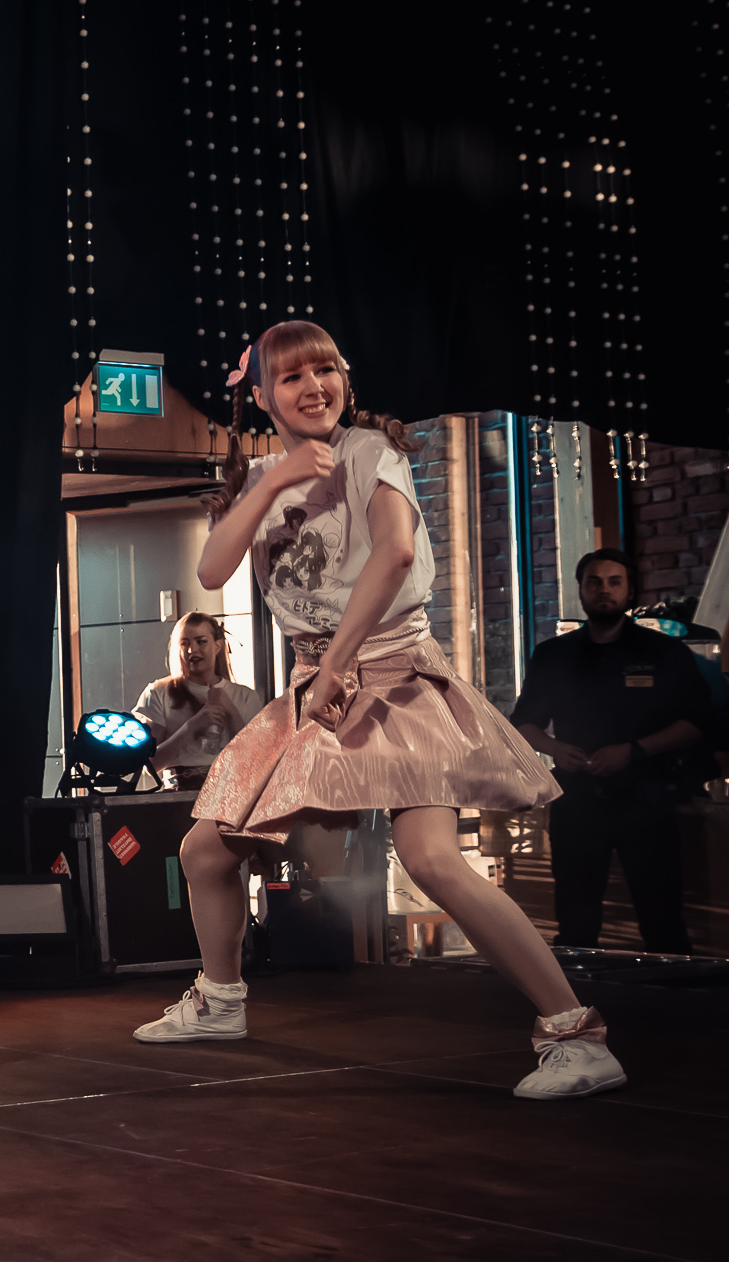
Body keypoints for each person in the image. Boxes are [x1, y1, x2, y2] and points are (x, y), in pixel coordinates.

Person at [131, 320, 626, 1101]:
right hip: (315, 686)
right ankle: (219, 1001)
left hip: (393, 674)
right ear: (261, 397)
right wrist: (271, 483)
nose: (314, 386)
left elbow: (395, 554)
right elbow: (214, 565)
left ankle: (576, 1034)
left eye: (325, 369)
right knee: (204, 852)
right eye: (292, 377)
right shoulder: (265, 478)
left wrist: (337, 666)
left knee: (430, 859)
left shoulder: (368, 451)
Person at [511, 548, 711, 954]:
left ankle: (675, 994)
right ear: (580, 590)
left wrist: (633, 751)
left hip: (648, 798)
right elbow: (523, 724)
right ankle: (576, 995)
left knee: (663, 922)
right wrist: (554, 748)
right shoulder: (554, 655)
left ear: (630, 590)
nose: (604, 590)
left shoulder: (664, 652)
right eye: (594, 582)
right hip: (576, 801)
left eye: (614, 582)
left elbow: (697, 724)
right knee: (575, 923)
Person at [131, 611, 268, 790]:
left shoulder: (246, 696)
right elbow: (149, 765)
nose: (192, 650)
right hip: (178, 795)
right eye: (184, 643)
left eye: (201, 641)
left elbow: (257, 760)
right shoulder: (158, 693)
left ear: (217, 646)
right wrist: (192, 726)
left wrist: (230, 710)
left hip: (232, 793)